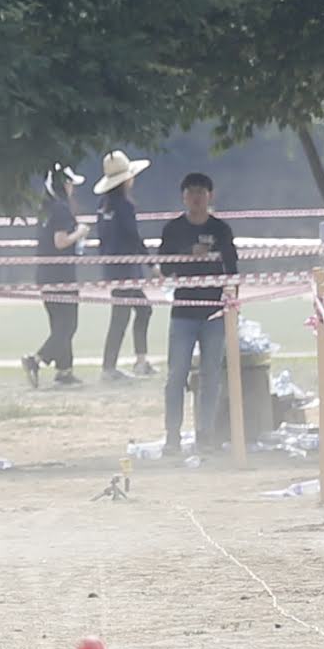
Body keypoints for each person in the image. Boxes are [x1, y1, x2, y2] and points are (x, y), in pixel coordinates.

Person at [154, 172, 246, 460]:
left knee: (212, 377)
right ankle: (172, 436)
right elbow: (165, 268)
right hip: (182, 312)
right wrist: (186, 255)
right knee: (176, 375)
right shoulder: (173, 229)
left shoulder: (221, 229)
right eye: (191, 192)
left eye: (201, 192)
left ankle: (206, 434)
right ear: (184, 197)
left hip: (214, 313)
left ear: (210, 196)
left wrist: (232, 298)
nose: (196, 197)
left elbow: (233, 268)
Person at [88, 152, 153, 373]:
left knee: (143, 310)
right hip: (126, 268)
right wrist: (151, 263)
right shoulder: (125, 205)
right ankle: (109, 368)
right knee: (121, 317)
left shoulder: (102, 205)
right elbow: (133, 236)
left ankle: (140, 361)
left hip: (113, 267)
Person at [28, 168, 85, 387]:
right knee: (69, 325)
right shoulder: (61, 209)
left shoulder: (45, 209)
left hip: (45, 274)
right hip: (61, 276)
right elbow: (60, 242)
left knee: (59, 324)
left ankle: (64, 371)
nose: (72, 189)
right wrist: (80, 232)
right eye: (70, 184)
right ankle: (37, 360)